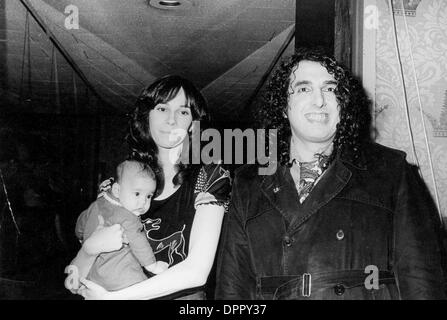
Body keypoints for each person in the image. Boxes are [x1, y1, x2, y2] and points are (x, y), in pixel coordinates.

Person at [215, 47, 446, 300]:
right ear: (283, 106)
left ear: (343, 103)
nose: (319, 100)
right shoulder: (249, 182)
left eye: (330, 88)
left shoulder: (390, 170)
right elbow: (232, 287)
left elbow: (422, 279)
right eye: (304, 89)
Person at [65, 75, 231, 299]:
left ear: (194, 124)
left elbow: (196, 272)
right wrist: (86, 253)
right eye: (162, 109)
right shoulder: (123, 178)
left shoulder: (210, 176)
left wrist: (114, 299)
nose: (171, 120)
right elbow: (90, 257)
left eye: (183, 112)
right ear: (147, 117)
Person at [74, 160, 167, 291]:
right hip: (123, 279)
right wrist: (152, 265)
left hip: (94, 277)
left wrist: (81, 236)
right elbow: (139, 243)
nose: (143, 202)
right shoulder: (128, 217)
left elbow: (81, 223)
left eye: (149, 196)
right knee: (149, 290)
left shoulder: (97, 204)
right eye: (137, 193)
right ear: (117, 190)